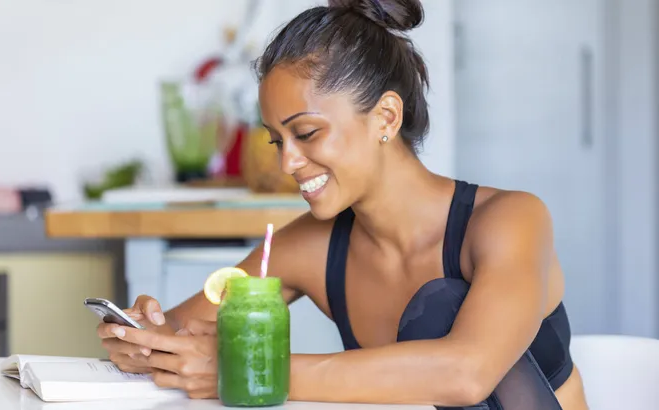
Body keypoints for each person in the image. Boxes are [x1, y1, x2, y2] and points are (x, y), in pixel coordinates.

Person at [97, 0, 589, 408]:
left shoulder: (510, 220)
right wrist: (142, 339)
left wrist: (245, 372)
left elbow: (466, 373)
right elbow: (177, 331)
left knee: (440, 305)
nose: (288, 161)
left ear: (386, 117)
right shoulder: (305, 248)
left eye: (307, 133)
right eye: (276, 141)